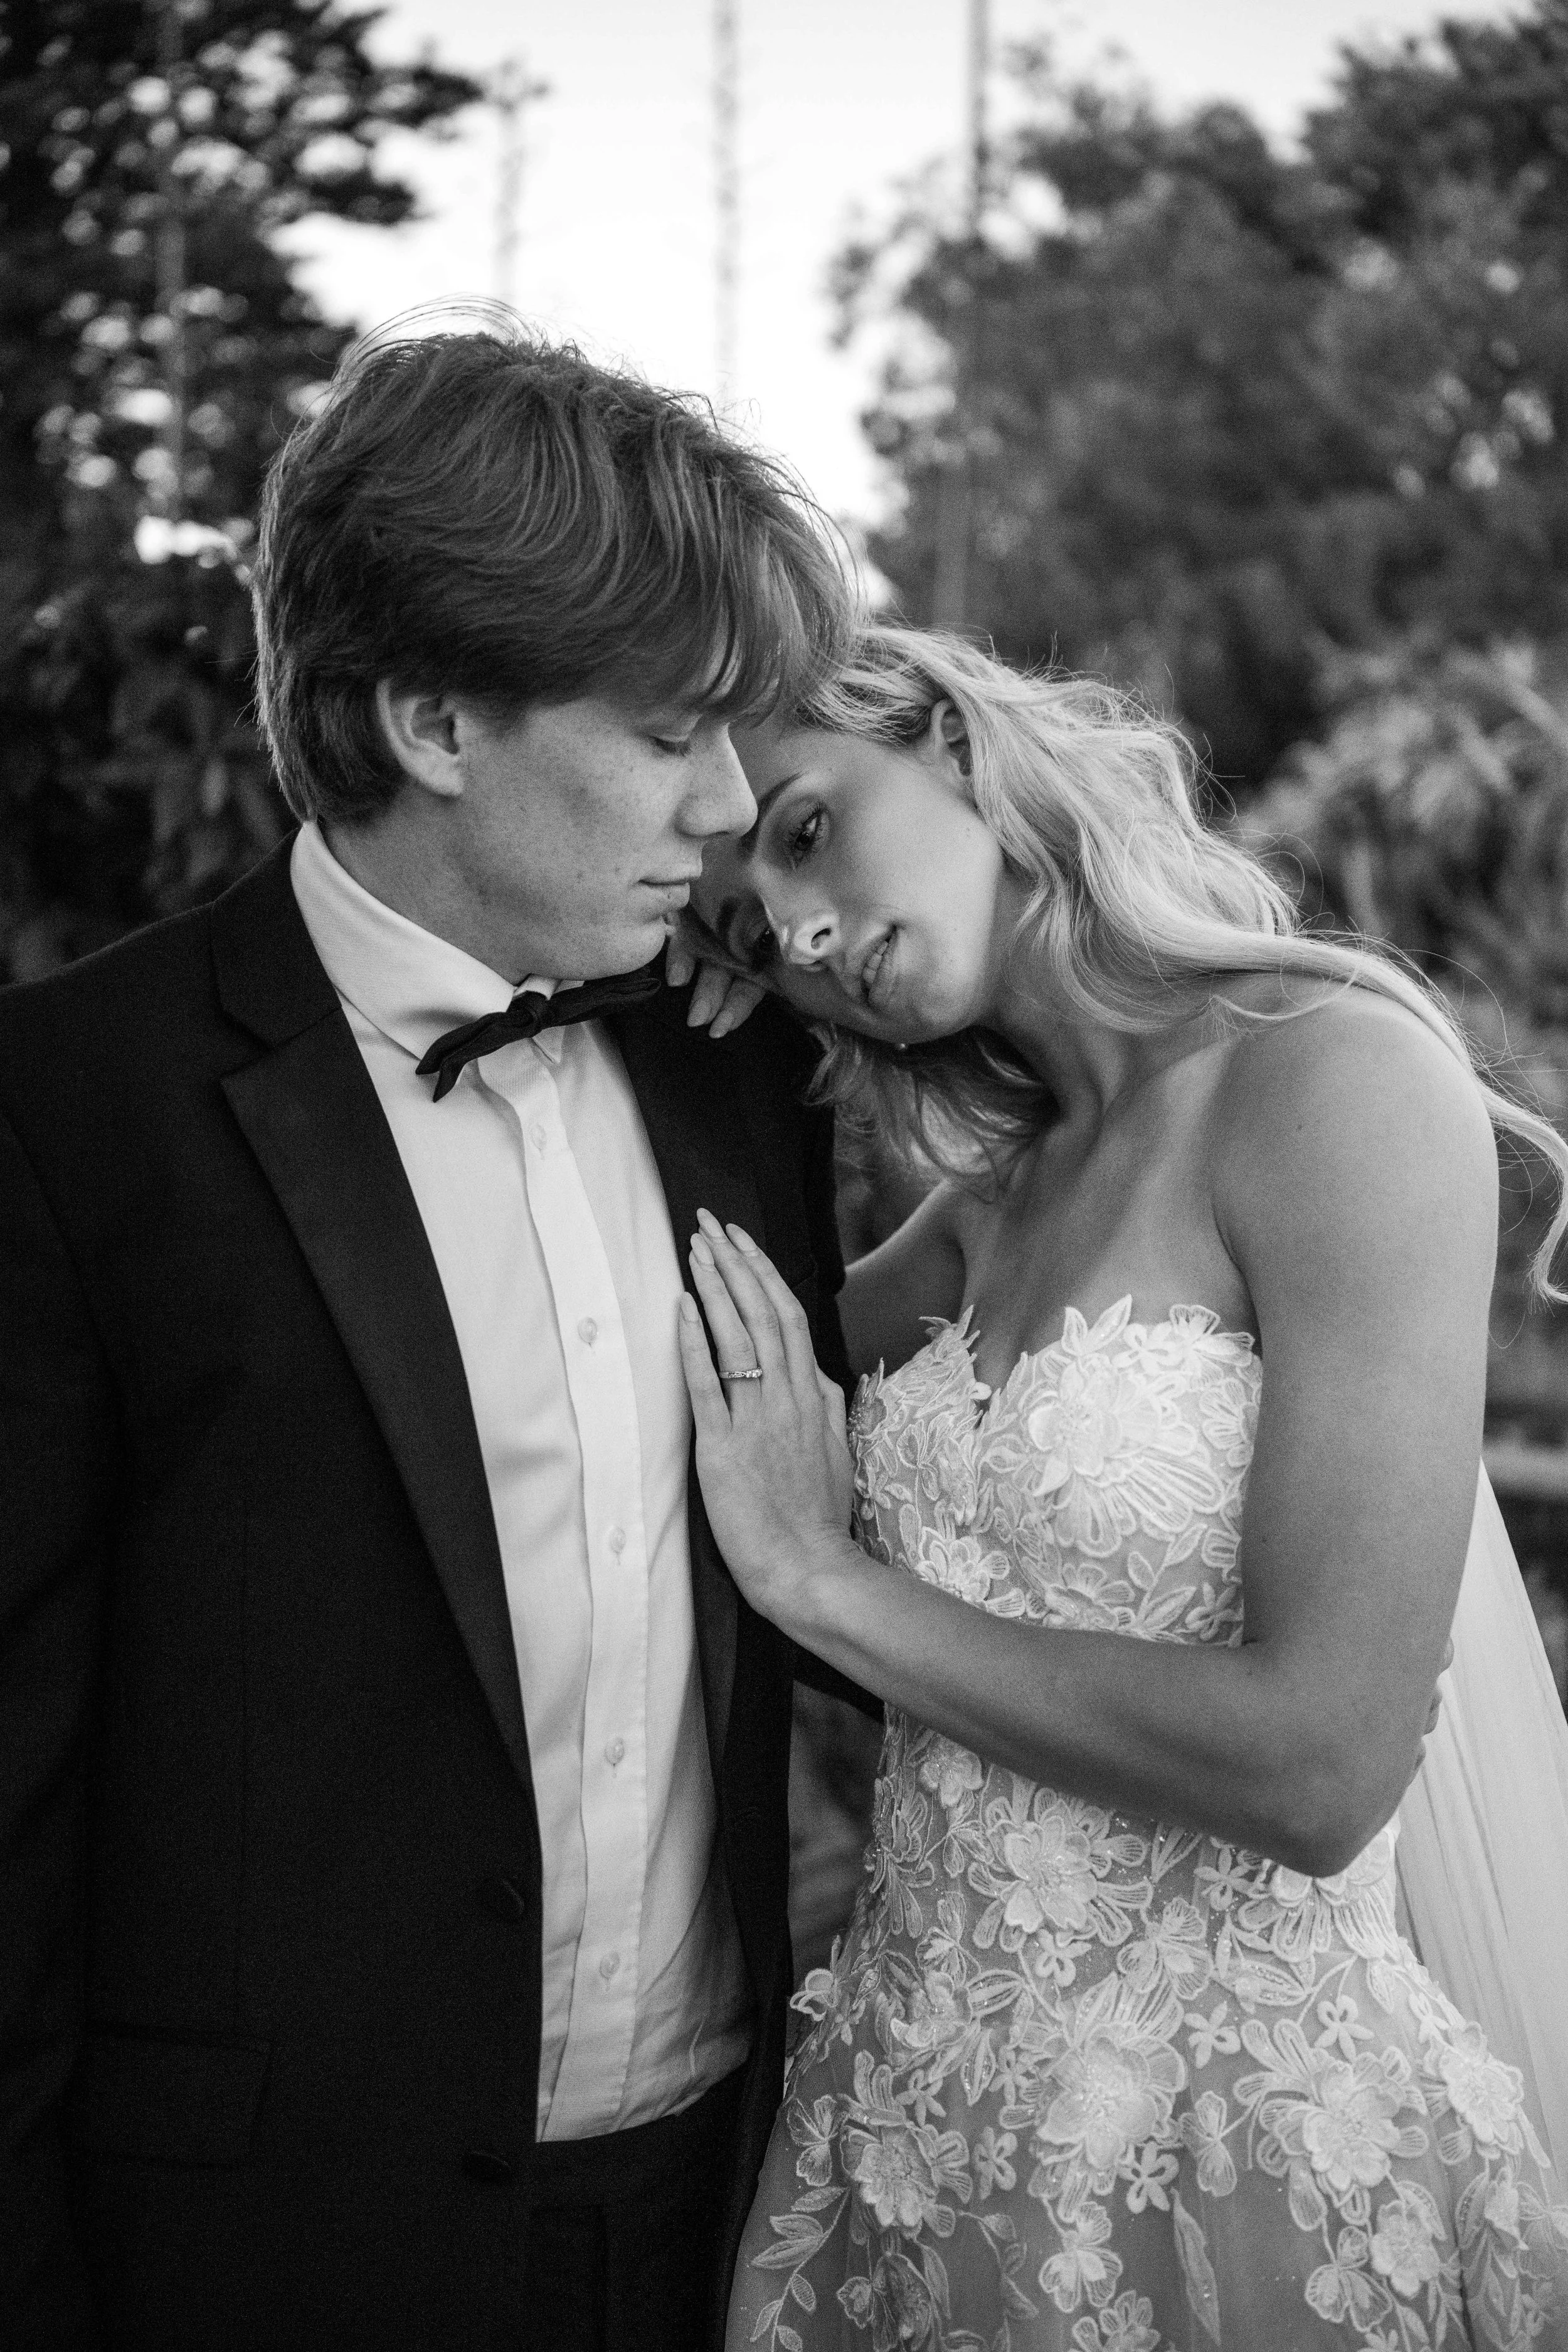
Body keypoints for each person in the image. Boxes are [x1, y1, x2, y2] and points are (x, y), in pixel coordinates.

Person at [0, 322, 862, 2352]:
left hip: (710, 2208)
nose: (729, 803)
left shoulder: (749, 1062)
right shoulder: (68, 1115)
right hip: (252, 2253)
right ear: (429, 717)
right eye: (667, 735)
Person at [675, 625, 1568, 2349]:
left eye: (799, 829)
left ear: (945, 741)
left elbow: (1321, 1761)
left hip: (1243, 2172)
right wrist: (687, 1043)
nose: (794, 931)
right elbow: (693, 1399)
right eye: (741, 937)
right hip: (914, 2145)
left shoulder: (1327, 1080)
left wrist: (834, 1586)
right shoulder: (984, 1210)